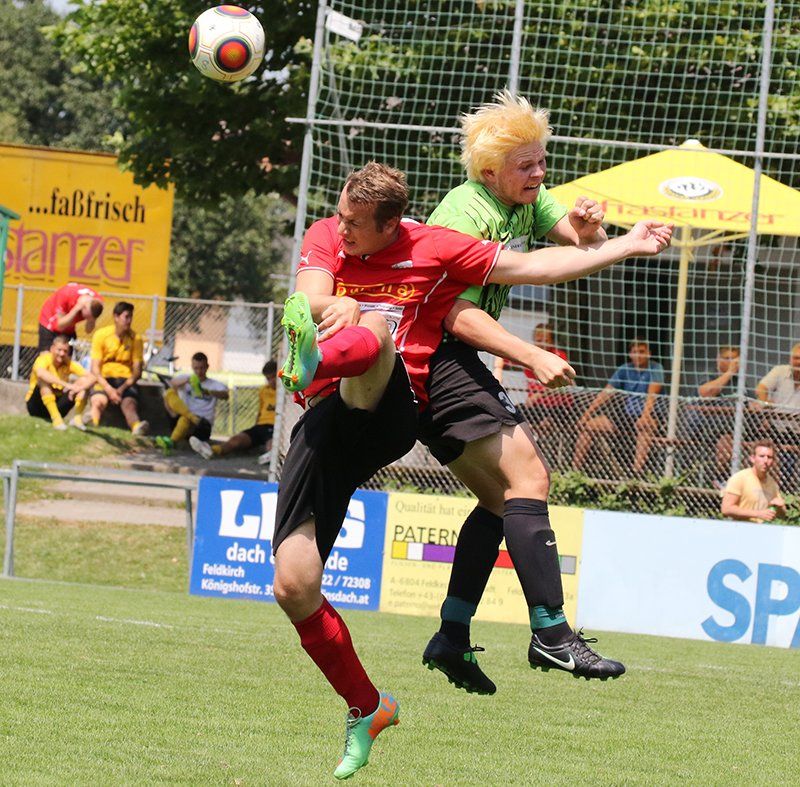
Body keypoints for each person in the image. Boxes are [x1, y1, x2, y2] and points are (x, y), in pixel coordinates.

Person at [273, 162, 671, 779]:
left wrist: (626, 244)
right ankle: (368, 707)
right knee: (293, 585)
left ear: (391, 225)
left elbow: (536, 266)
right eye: (342, 217)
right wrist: (337, 302)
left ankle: (312, 362)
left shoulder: (433, 246)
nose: (341, 229)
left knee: (377, 325)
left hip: (391, 405)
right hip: (327, 425)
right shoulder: (328, 232)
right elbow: (309, 295)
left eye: (355, 224)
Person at [418, 91, 623, 696]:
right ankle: (551, 633)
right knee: (529, 479)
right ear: (489, 172)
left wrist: (588, 226)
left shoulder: (523, 197)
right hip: (436, 356)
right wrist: (530, 353)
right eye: (526, 165)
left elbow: (577, 238)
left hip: (438, 360)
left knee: (498, 499)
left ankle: (452, 634)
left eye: (541, 161)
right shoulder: (465, 212)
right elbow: (453, 313)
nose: (539, 173)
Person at [573, 338, 664, 474]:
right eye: (635, 352)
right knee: (589, 425)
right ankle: (574, 470)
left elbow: (652, 395)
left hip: (649, 414)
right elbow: (606, 393)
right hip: (627, 415)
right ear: (630, 354)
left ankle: (636, 474)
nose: (638, 355)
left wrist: (645, 416)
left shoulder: (656, 369)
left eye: (641, 352)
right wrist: (586, 415)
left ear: (649, 353)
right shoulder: (624, 369)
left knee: (644, 427)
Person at [190, 360, 276, 460]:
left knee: (271, 445)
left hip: (275, 426)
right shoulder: (264, 390)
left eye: (274, 377)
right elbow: (260, 411)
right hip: (261, 426)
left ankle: (272, 457)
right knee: (236, 440)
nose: (271, 381)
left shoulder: (285, 392)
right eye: (268, 378)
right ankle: (212, 450)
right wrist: (256, 425)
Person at [89, 301, 149, 434]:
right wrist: (109, 389)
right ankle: (92, 423)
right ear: (116, 317)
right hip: (104, 378)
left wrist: (120, 390)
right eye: (126, 317)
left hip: (125, 381)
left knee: (129, 404)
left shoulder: (136, 339)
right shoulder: (101, 335)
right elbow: (95, 368)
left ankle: (137, 427)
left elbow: (137, 371)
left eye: (131, 317)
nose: (129, 321)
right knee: (98, 401)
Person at [155, 352, 229, 453]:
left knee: (186, 419)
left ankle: (172, 441)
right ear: (192, 367)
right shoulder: (187, 379)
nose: (199, 372)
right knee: (169, 393)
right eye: (196, 368)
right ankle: (189, 419)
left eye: (202, 368)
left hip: (202, 425)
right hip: (184, 417)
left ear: (207, 367)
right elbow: (172, 384)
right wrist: (187, 381)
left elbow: (225, 395)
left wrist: (208, 392)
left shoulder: (214, 384)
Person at [688, 346, 740, 484]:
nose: (732, 363)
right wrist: (729, 372)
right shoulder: (710, 374)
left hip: (732, 429)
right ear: (718, 359)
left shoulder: (739, 381)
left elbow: (750, 400)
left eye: (735, 359)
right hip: (705, 427)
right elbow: (706, 393)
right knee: (726, 440)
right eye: (727, 358)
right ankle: (716, 479)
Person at [26, 334, 96, 430]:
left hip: (58, 403)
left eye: (65, 351)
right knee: (43, 382)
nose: (62, 354)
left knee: (84, 382)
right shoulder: (44, 359)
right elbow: (41, 373)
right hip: (36, 406)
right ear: (52, 349)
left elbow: (91, 377)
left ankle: (77, 419)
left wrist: (78, 388)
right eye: (59, 350)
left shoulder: (68, 363)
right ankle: (57, 420)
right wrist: (67, 385)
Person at [755, 341, 800, 486]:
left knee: (789, 464)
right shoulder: (780, 371)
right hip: (775, 427)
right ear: (790, 359)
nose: (798, 362)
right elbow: (761, 388)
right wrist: (765, 405)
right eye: (796, 358)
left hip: (797, 431)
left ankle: (787, 489)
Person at [721, 439, 786, 523]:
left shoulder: (772, 484)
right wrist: (758, 514)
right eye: (761, 456)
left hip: (763, 529)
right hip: (740, 528)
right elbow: (726, 509)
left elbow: (782, 515)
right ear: (752, 458)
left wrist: (780, 507)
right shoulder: (740, 478)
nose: (766, 461)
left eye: (769, 457)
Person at [38, 282, 104, 351]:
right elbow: (59, 326)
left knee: (69, 354)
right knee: (47, 355)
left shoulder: (97, 303)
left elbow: (88, 330)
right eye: (85, 316)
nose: (84, 318)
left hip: (69, 326)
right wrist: (76, 309)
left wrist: (91, 320)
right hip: (50, 322)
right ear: (83, 307)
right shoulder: (65, 295)